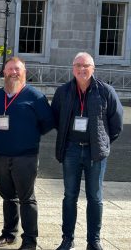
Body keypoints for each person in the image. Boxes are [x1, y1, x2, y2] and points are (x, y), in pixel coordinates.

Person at [52, 52, 123, 250]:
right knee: (70, 196)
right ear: (72, 68)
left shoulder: (106, 91)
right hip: (71, 151)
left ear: (93, 68)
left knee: (95, 197)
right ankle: (67, 239)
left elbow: (116, 124)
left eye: (86, 66)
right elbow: (57, 119)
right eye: (78, 65)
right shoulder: (63, 92)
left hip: (95, 152)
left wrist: (102, 143)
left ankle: (94, 241)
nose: (82, 69)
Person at [0, 57, 54, 250]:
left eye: (17, 69)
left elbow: (48, 123)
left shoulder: (35, 96)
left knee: (26, 198)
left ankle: (30, 240)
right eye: (10, 69)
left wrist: (29, 135)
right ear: (4, 72)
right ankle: (9, 234)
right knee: (8, 197)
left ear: (24, 72)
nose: (13, 72)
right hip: (0, 156)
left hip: (26, 157)